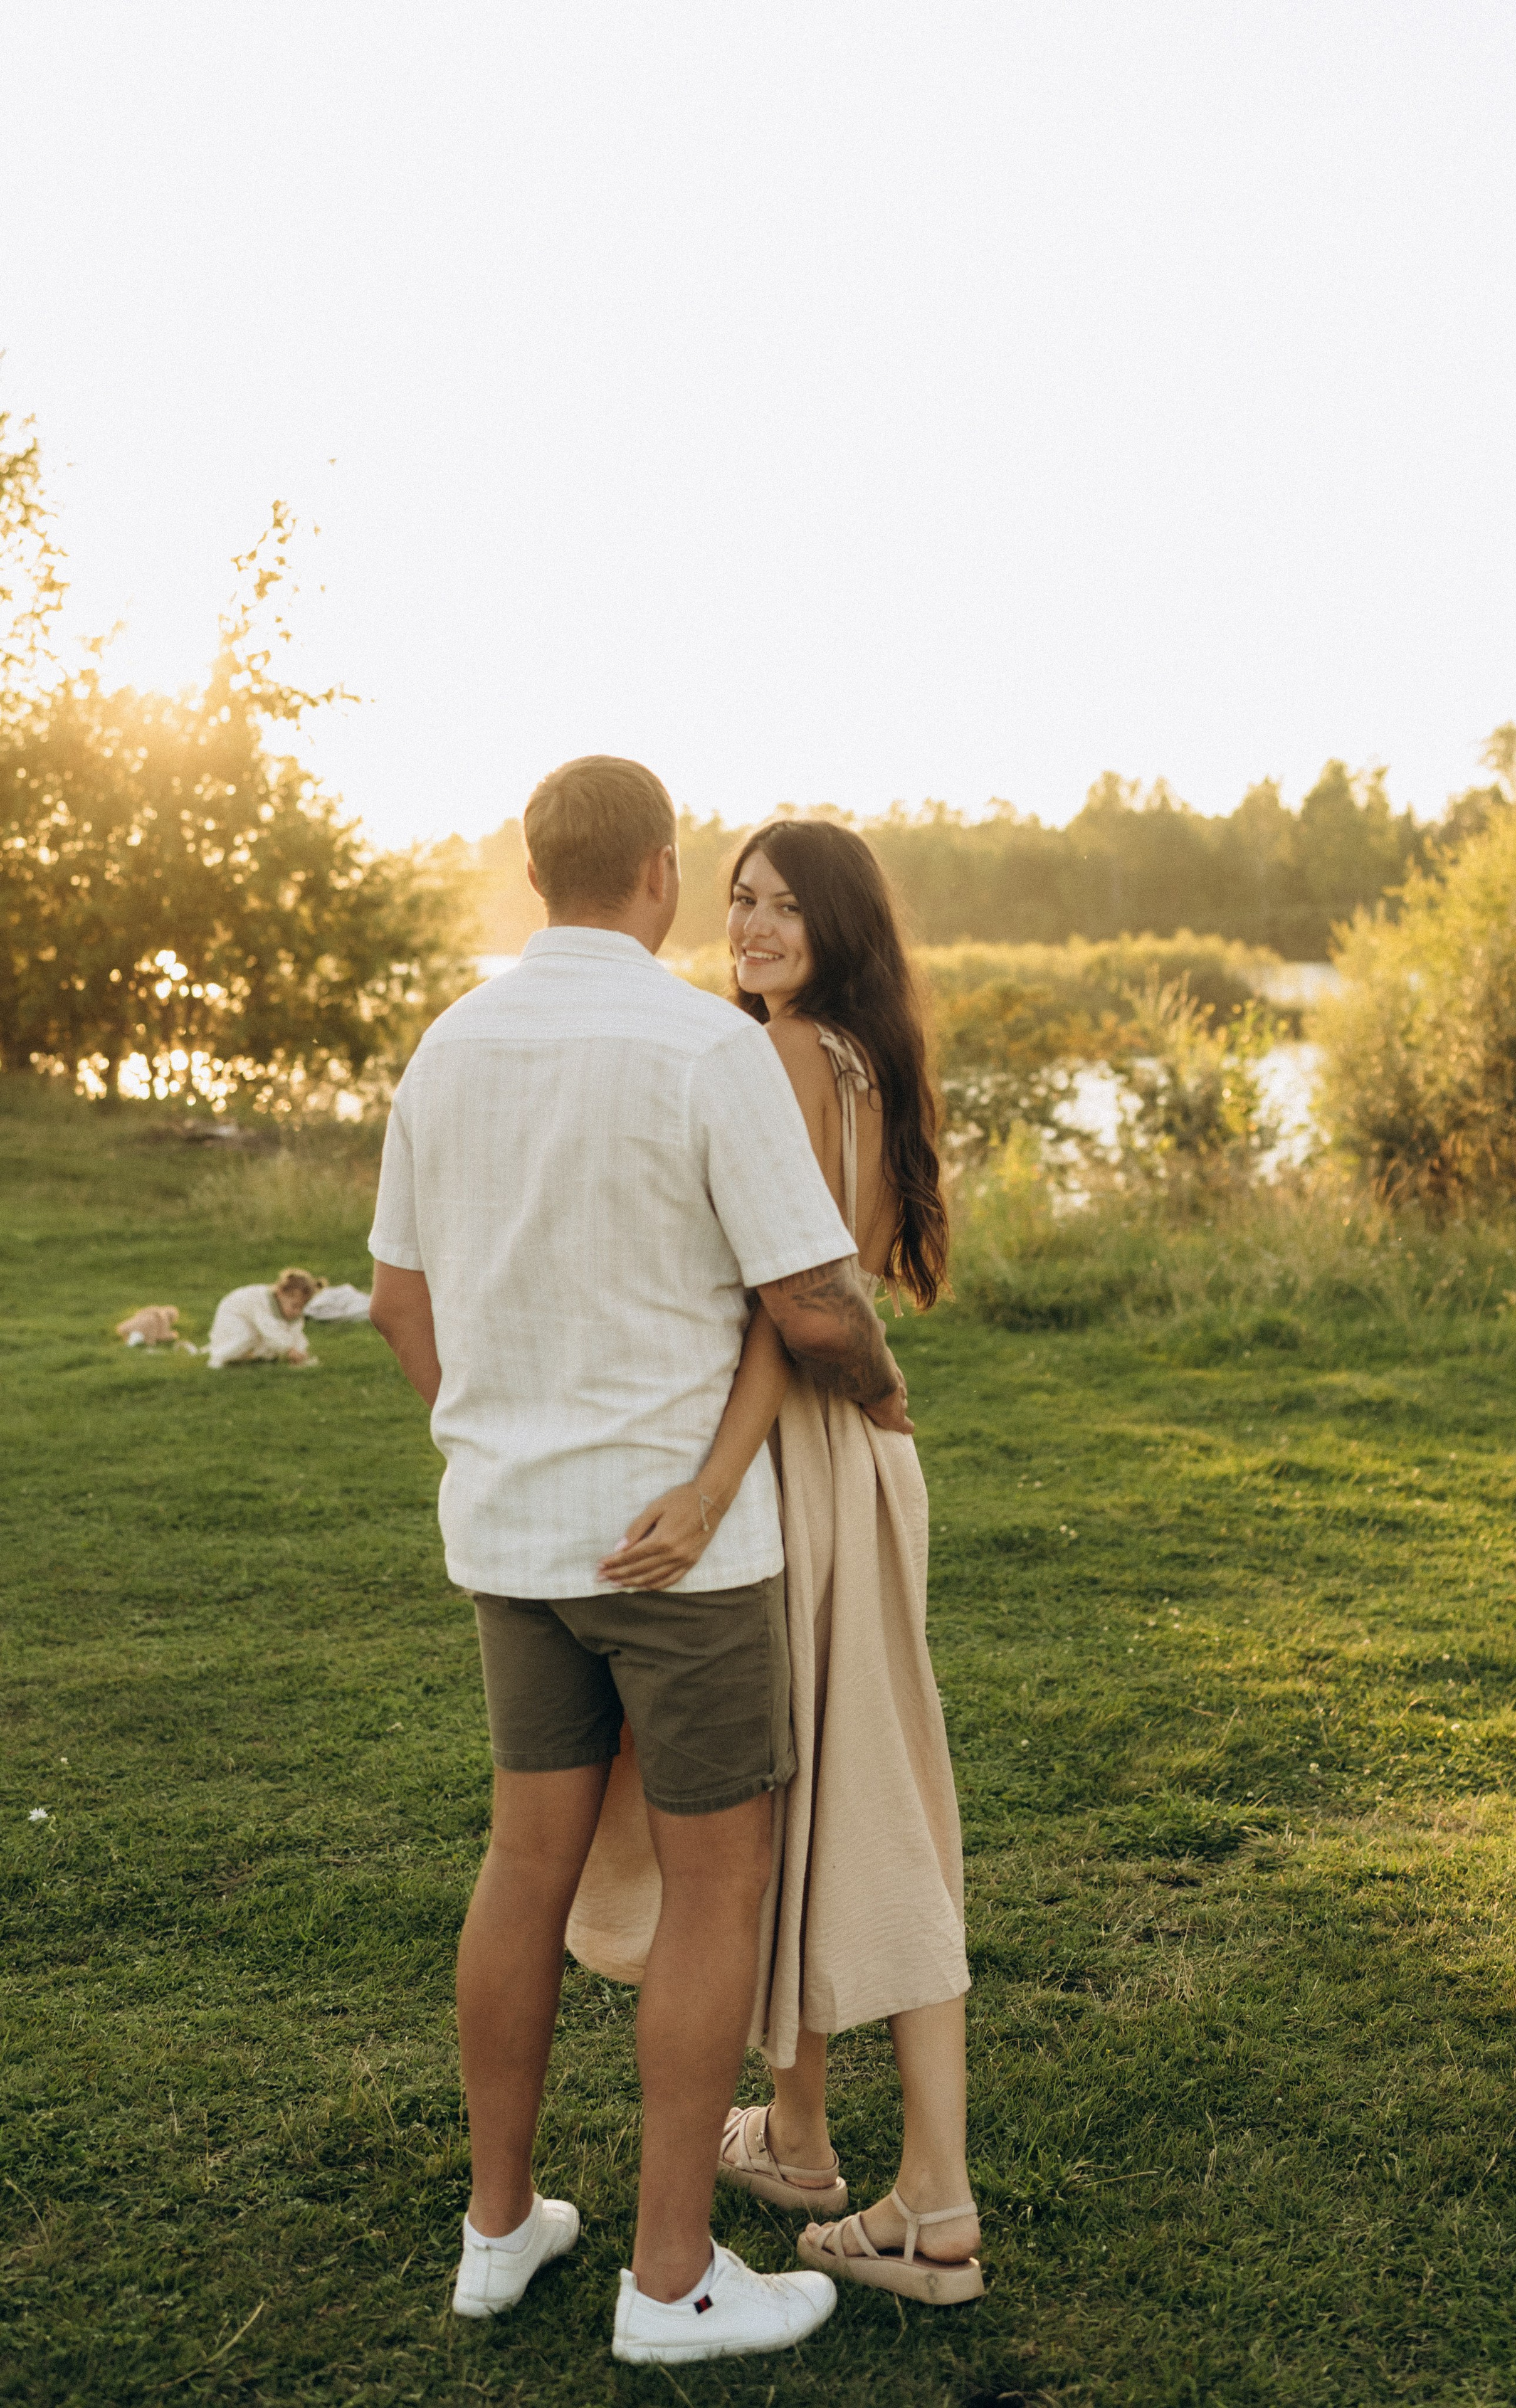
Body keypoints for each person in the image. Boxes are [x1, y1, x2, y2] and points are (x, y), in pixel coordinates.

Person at [366, 757, 912, 2367]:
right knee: (714, 1882)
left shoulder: (449, 1044)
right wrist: (879, 1388)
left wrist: (499, 1443)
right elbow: (809, 1299)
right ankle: (669, 2278)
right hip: (682, 1552)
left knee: (523, 1862)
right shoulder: (697, 1046)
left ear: (537, 871)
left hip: (513, 1537)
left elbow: (401, 1303)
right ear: (661, 874)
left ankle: (497, 2230)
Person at [574, 817, 981, 2308]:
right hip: (853, 1459)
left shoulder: (784, 1053)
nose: (748, 924)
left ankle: (934, 2206)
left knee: (865, 1800)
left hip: (803, 1454)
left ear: (837, 928)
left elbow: (785, 1307)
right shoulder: (858, 1057)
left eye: (782, 906)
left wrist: (708, 1482)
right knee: (811, 1780)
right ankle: (800, 2136)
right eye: (737, 897)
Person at [206, 1269, 325, 1369]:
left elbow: (296, 1332)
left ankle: (249, 1358)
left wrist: (300, 1351)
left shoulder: (291, 1311)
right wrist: (289, 1350)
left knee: (268, 1350)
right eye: (294, 1306)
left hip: (251, 1320)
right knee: (246, 1338)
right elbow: (270, 1330)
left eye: (302, 1307)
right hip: (233, 1315)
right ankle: (218, 1360)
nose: (298, 1311)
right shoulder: (262, 1301)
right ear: (280, 1293)